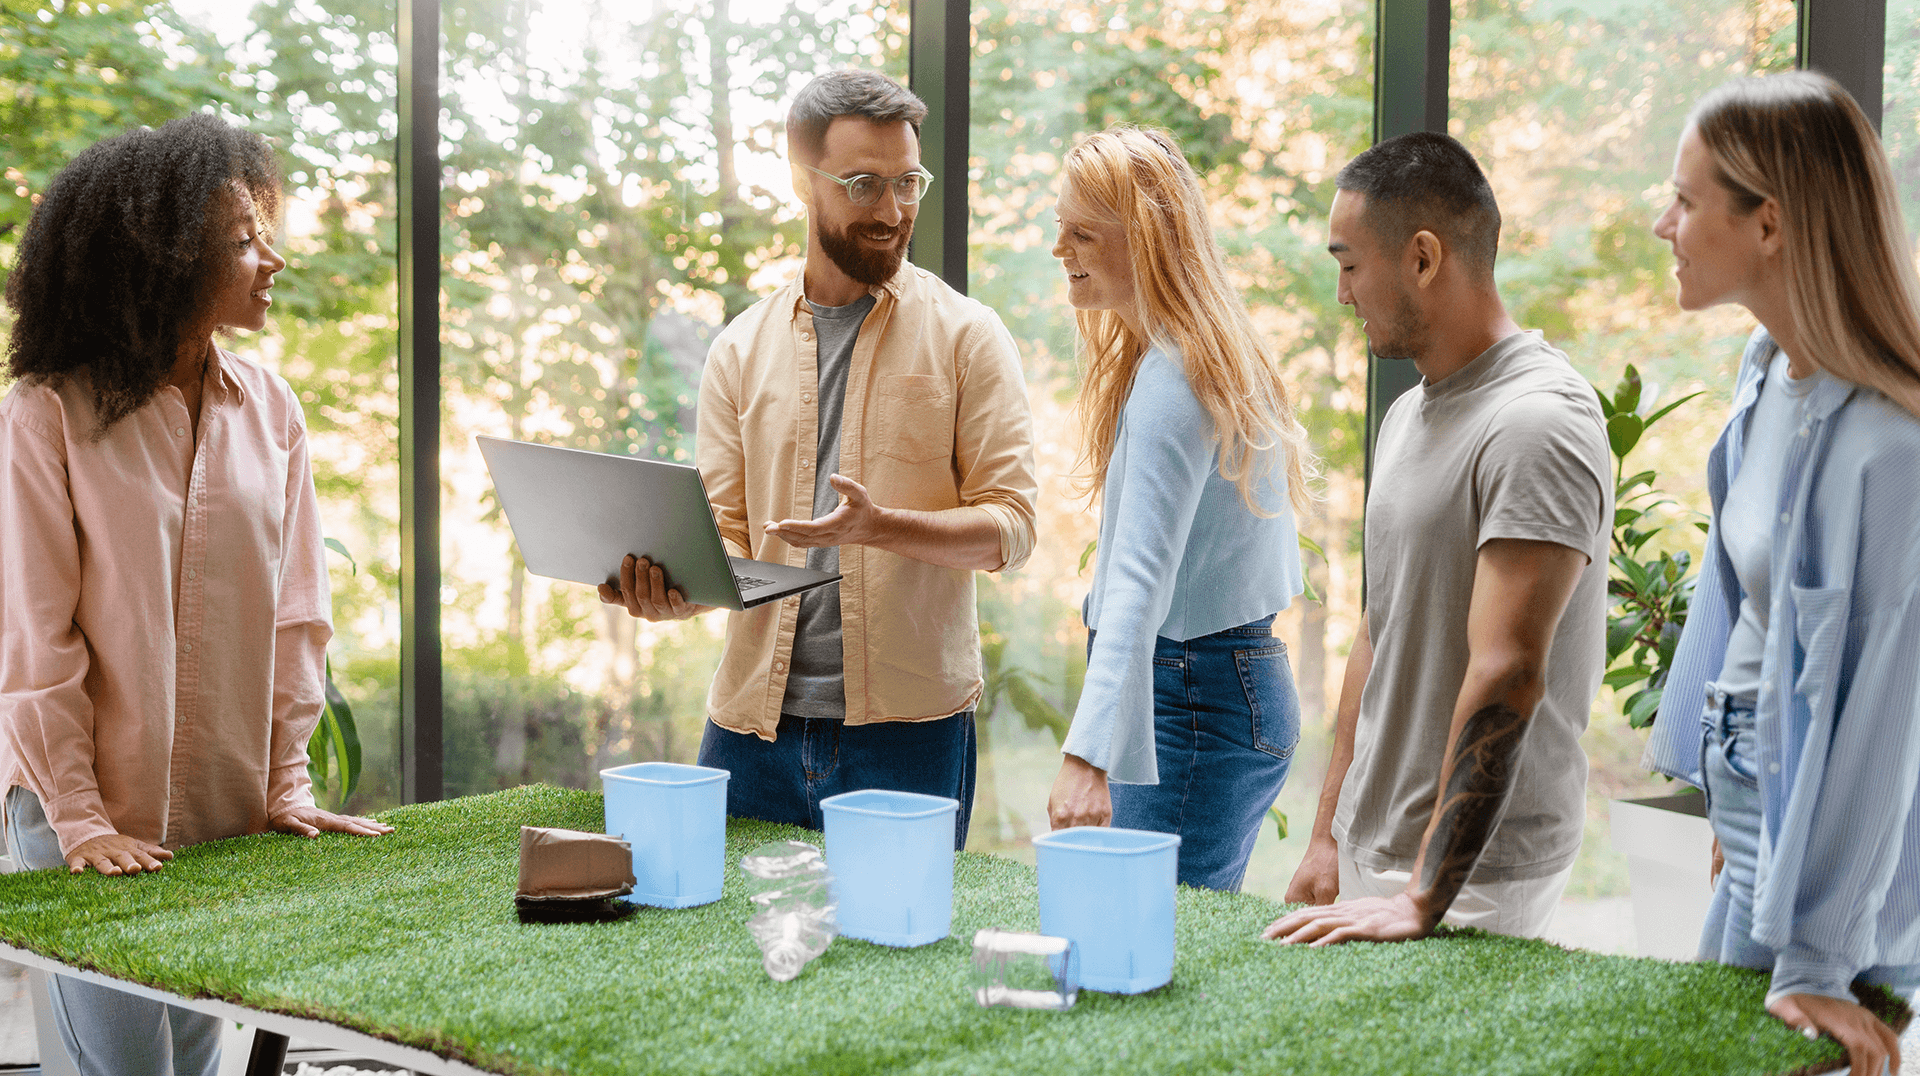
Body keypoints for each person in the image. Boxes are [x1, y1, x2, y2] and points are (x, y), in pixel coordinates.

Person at [0, 113, 392, 1076]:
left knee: (203, 1067)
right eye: (244, 240)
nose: (275, 258)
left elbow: (298, 615)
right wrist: (83, 823)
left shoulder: (275, 410)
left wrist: (283, 781)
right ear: (161, 255)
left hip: (223, 816)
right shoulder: (47, 410)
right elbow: (33, 637)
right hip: (85, 819)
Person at [599, 70, 1038, 849]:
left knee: (896, 953)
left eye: (909, 183)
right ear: (805, 181)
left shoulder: (970, 336)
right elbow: (730, 539)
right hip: (748, 732)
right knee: (725, 950)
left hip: (910, 736)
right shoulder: (739, 347)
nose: (894, 211)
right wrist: (676, 591)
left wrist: (882, 527)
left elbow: (1011, 529)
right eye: (864, 184)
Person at [1641, 71, 1920, 1076]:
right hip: (1756, 811)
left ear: (1771, 224)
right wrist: (1727, 796)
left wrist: (1818, 952)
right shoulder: (1767, 376)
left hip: (1833, 881)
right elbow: (1745, 607)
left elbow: (1886, 717)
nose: (1662, 223)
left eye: (1686, 198)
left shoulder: (1889, 450)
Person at [1263, 132, 1609, 944]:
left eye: (1349, 264)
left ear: (1423, 258)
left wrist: (1425, 897)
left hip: (1476, 878)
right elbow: (1377, 631)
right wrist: (1329, 834)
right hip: (1374, 853)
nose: (1342, 295)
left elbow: (1509, 671)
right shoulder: (1408, 413)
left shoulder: (1536, 423)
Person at [1040, 127, 1314, 891]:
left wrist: (1085, 755)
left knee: (1156, 939)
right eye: (1059, 225)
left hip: (1194, 699)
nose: (1059, 247)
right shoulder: (1202, 357)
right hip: (1218, 686)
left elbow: (1136, 583)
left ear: (1148, 241)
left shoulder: (1176, 377)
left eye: (1082, 232)